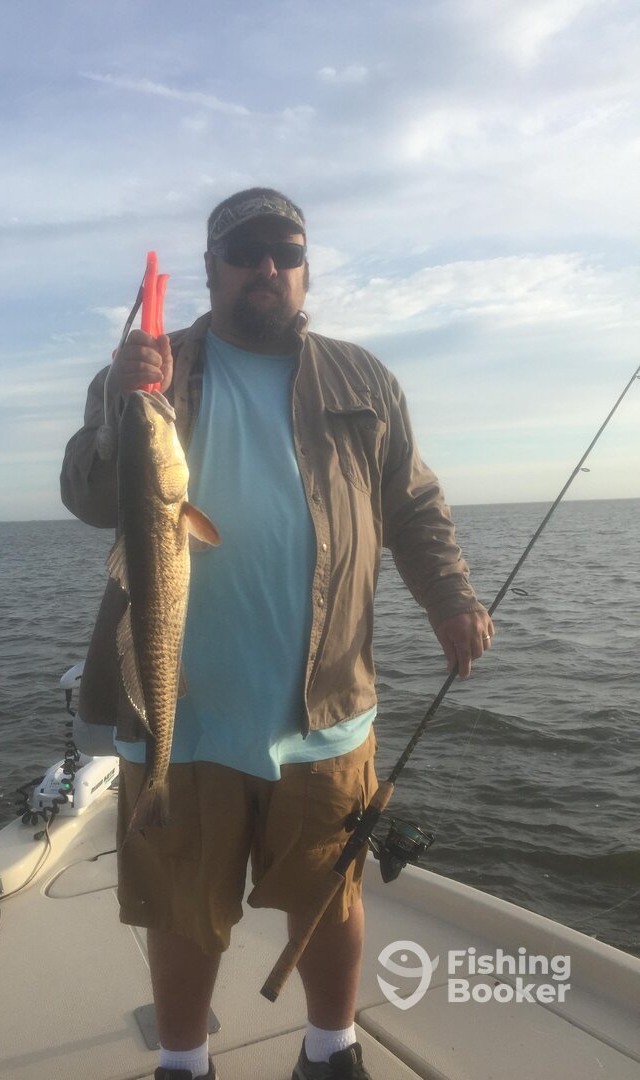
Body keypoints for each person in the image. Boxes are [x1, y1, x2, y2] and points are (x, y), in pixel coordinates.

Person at [60, 188, 494, 1080]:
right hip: (184, 715)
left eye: (285, 251)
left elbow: (412, 502)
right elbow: (91, 498)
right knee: (182, 910)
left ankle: (331, 1051)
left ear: (304, 268)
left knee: (328, 897)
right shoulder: (151, 369)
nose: (267, 266)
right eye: (246, 250)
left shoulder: (362, 379)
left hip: (325, 708)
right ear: (210, 268)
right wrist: (120, 401)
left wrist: (450, 597)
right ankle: (184, 1063)